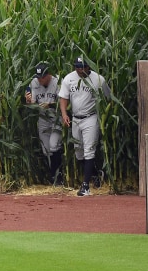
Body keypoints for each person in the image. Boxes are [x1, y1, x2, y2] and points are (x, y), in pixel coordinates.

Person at [59, 56, 111, 196]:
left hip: (91, 118)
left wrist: (103, 116)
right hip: (76, 119)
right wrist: (64, 114)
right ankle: (96, 174)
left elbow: (108, 99)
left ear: (89, 66)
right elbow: (63, 98)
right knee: (79, 153)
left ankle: (86, 186)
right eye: (77, 67)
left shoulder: (98, 79)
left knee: (89, 150)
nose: (79, 70)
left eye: (82, 67)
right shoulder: (69, 78)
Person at [25, 62, 63, 185]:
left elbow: (64, 102)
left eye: (42, 77)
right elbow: (32, 103)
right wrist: (29, 100)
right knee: (46, 149)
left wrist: (50, 104)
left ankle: (57, 176)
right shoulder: (34, 83)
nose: (40, 80)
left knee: (54, 145)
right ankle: (54, 176)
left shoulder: (57, 82)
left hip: (56, 118)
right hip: (42, 118)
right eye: (38, 77)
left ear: (49, 75)